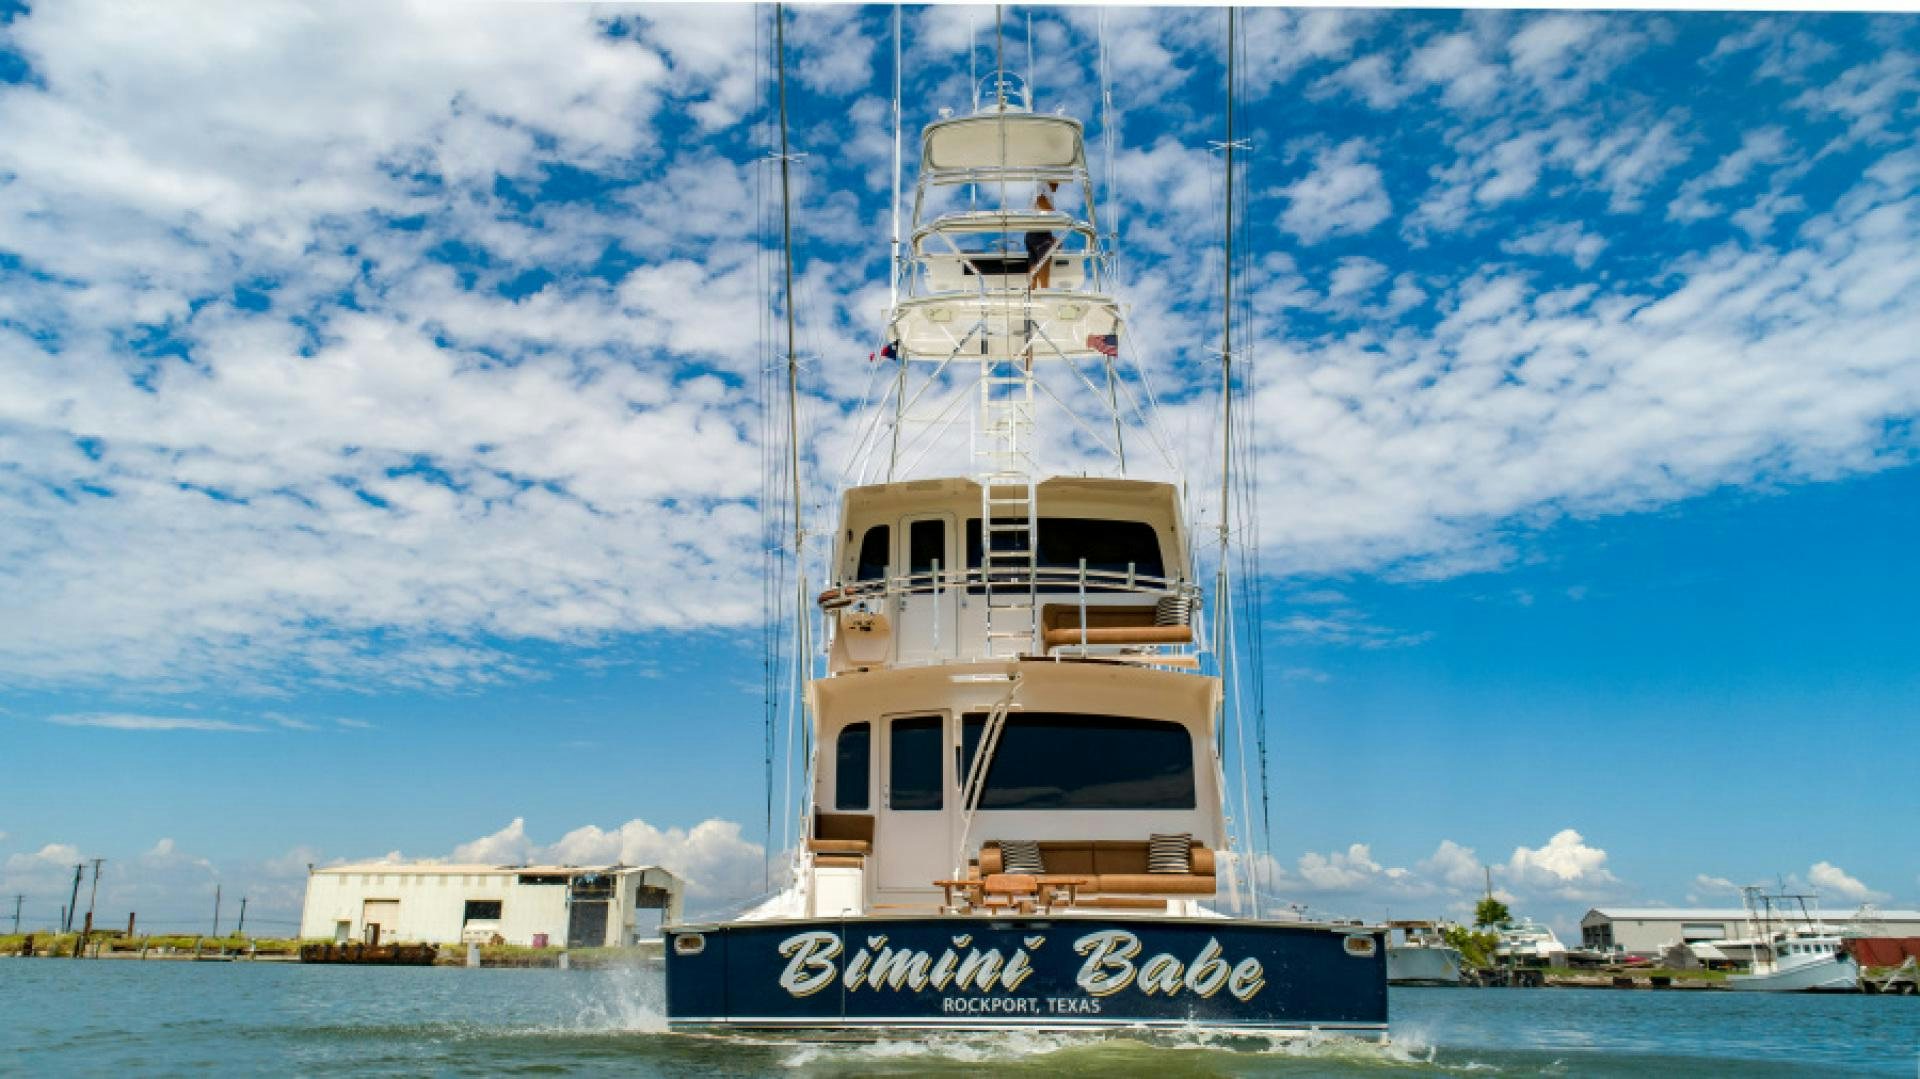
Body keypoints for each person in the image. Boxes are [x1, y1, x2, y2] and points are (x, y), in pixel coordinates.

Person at [1024, 181, 1060, 290]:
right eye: (1058, 181)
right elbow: (1040, 200)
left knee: (1034, 266)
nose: (1058, 185)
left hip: (1031, 233)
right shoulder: (1043, 186)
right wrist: (1056, 216)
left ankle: (1032, 294)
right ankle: (1045, 292)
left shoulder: (1039, 187)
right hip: (1040, 233)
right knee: (1044, 262)